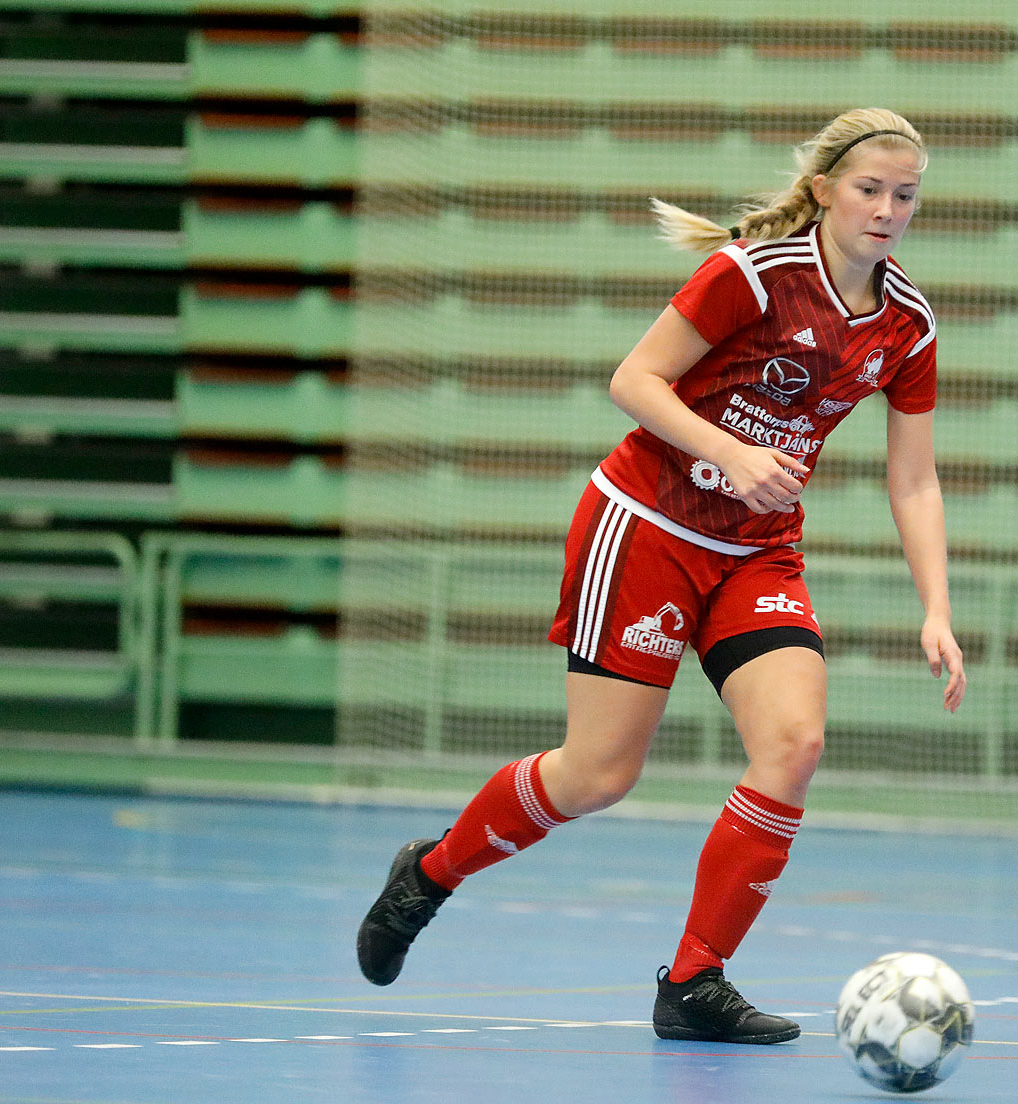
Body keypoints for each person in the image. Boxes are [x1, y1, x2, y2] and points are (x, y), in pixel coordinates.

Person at [356, 108, 967, 1042]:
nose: (887, 209)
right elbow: (635, 380)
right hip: (644, 528)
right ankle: (430, 874)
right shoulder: (751, 277)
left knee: (795, 745)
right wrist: (730, 449)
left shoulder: (907, 323)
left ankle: (693, 984)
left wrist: (938, 609)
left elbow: (914, 476)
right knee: (599, 775)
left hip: (757, 549)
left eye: (905, 195)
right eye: (869, 189)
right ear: (823, 191)